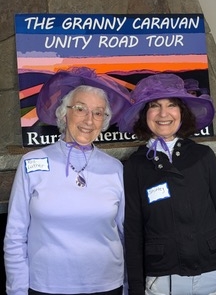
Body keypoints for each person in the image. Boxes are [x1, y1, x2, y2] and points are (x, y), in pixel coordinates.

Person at [4, 67, 131, 295]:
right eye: (80, 109)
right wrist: (17, 289)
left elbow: (126, 234)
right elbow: (15, 235)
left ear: (104, 121)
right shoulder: (32, 163)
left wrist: (128, 286)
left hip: (107, 285)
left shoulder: (115, 169)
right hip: (46, 286)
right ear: (64, 113)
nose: (89, 120)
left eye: (98, 113)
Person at [119, 73, 216, 295]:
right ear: (144, 114)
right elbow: (133, 232)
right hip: (164, 277)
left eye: (171, 105)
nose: (163, 113)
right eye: (154, 106)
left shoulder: (203, 155)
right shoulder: (136, 165)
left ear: (181, 112)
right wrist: (136, 288)